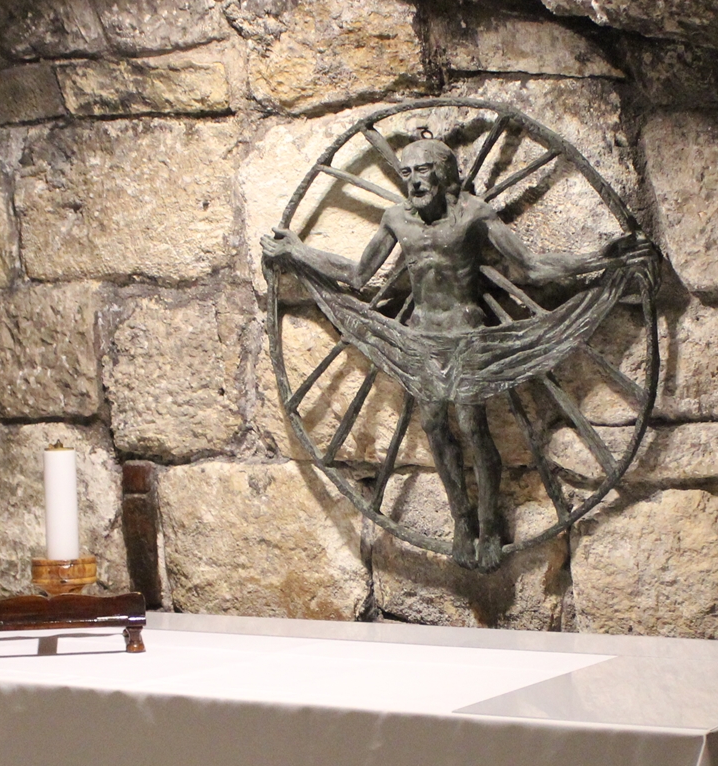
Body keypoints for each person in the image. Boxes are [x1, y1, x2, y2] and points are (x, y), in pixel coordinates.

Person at [263, 132, 635, 569]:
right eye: (407, 173)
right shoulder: (396, 220)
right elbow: (358, 274)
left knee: (472, 425)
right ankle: (462, 520)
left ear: (444, 174)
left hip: (467, 335)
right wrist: (298, 252)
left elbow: (531, 266)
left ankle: (489, 524)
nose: (415, 182)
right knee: (434, 425)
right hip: (421, 338)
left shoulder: (473, 214)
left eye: (423, 171)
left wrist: (600, 258)